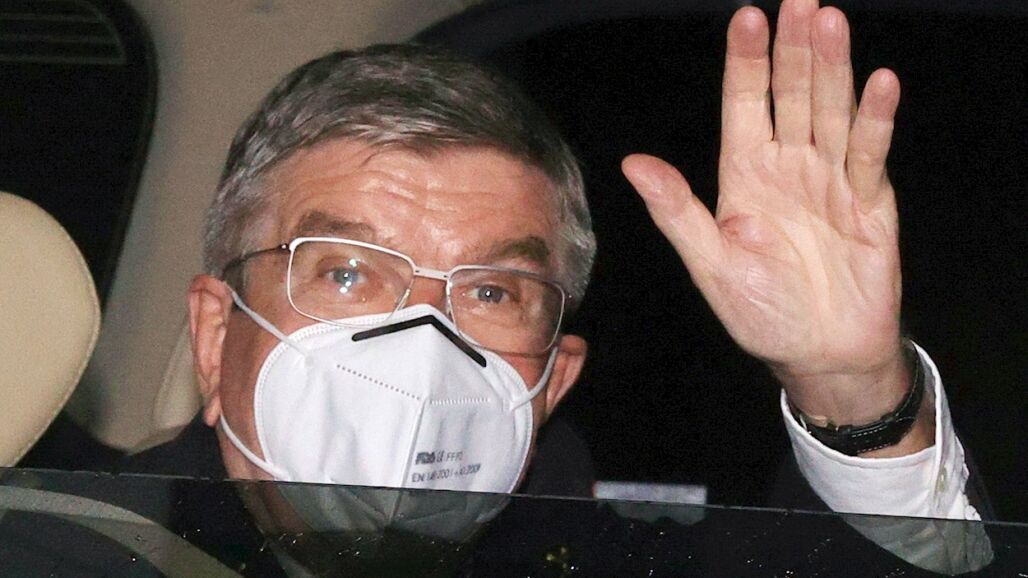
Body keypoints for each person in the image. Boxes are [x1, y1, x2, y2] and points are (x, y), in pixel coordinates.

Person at [122, 0, 992, 574]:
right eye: (347, 272)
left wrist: (849, 387)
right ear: (214, 337)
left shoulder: (602, 557)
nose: (421, 336)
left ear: (552, 380)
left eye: (493, 293)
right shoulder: (76, 543)